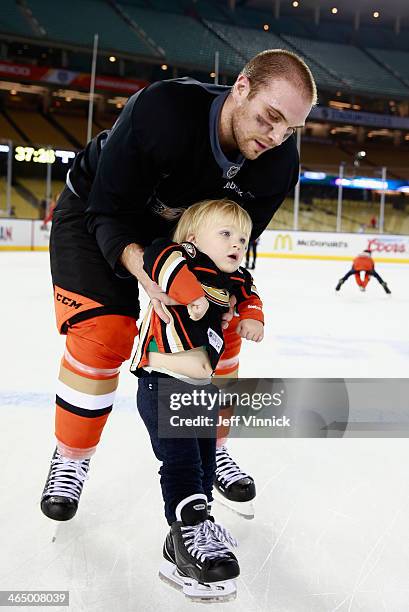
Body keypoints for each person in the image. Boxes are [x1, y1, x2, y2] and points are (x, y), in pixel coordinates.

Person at [40, 49, 316, 522]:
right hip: (97, 214)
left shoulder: (278, 161)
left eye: (289, 129)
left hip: (183, 238)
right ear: (242, 88)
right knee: (105, 334)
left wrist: (224, 301)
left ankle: (214, 446)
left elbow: (234, 250)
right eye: (270, 119)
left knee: (220, 330)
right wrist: (147, 273)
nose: (276, 138)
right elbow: (106, 211)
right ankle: (71, 457)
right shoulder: (164, 110)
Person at [131, 198, 263, 600]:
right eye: (225, 234)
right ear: (193, 237)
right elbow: (158, 256)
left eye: (241, 238)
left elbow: (250, 294)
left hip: (199, 389)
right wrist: (191, 294)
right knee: (183, 462)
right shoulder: (182, 257)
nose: (236, 244)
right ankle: (185, 539)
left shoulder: (235, 277)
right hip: (163, 379)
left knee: (206, 462)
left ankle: (194, 530)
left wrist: (253, 317)